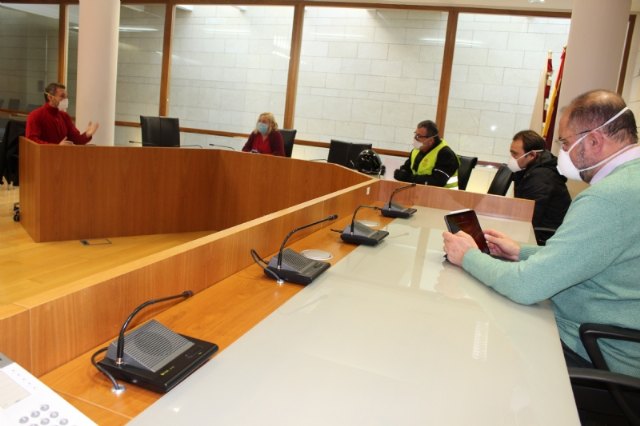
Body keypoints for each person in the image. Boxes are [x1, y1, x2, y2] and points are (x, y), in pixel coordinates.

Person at [442, 89, 640, 378]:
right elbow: (592, 256)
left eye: (565, 143)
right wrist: (520, 252)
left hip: (595, 351)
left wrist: (468, 256)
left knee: (479, 336)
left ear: (594, 140)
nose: (562, 152)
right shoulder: (631, 183)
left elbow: (526, 287)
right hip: (605, 332)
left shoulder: (608, 197)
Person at [508, 130, 572, 245]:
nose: (511, 158)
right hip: (540, 231)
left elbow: (529, 217)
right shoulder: (532, 169)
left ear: (532, 155)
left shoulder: (541, 177)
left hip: (545, 237)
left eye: (515, 154)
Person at [26, 82, 99, 145]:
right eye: (62, 96)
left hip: (63, 155)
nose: (65, 99)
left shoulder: (64, 116)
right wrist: (57, 147)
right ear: (50, 97)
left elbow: (75, 139)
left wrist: (87, 135)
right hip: (44, 155)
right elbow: (32, 141)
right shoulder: (35, 115)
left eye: (66, 97)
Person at [393, 120, 459, 188]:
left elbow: (437, 181)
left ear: (431, 140)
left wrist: (408, 178)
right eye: (415, 134)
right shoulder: (416, 150)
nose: (415, 138)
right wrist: (401, 173)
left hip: (446, 193)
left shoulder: (446, 154)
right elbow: (407, 168)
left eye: (419, 136)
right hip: (420, 191)